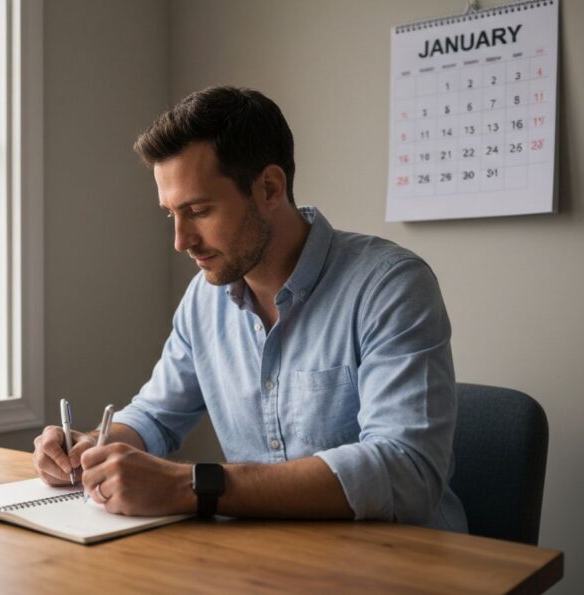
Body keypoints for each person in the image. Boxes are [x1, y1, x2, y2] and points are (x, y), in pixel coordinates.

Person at [33, 86, 467, 532]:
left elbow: (408, 471)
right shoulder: (204, 297)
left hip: (398, 563)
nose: (181, 241)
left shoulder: (390, 285)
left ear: (270, 188)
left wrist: (192, 486)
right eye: (171, 215)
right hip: (261, 560)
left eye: (198, 210)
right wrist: (92, 447)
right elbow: (156, 416)